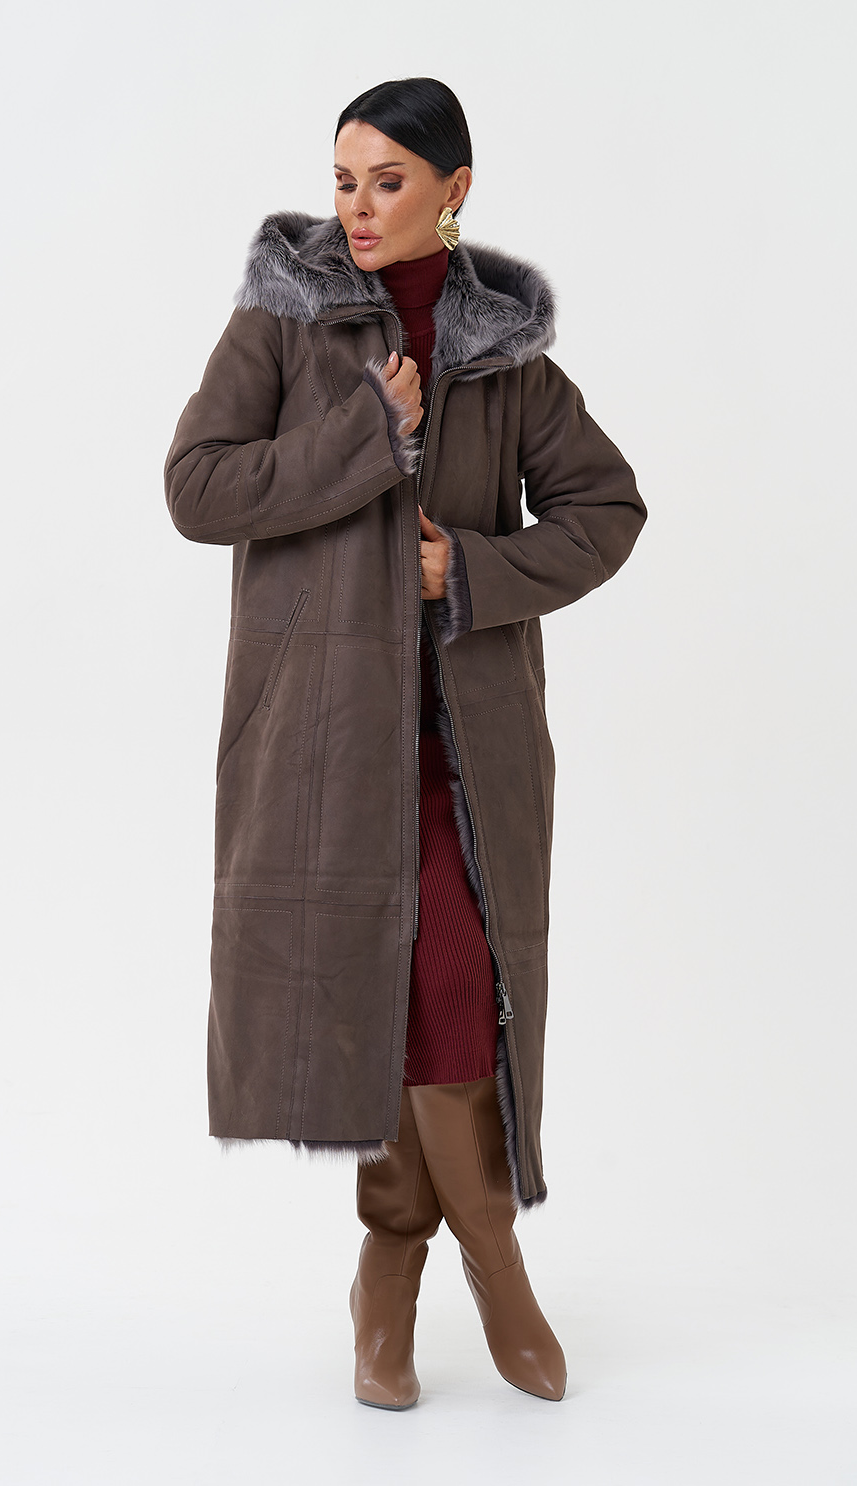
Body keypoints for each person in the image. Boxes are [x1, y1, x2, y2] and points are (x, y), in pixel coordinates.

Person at [163, 76, 647, 1410]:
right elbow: (196, 487)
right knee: (383, 1007)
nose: (358, 208)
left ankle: (465, 1257)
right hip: (323, 744)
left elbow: (605, 510)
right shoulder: (285, 319)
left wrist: (470, 572)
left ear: (453, 191)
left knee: (451, 995)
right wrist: (364, 435)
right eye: (343, 181)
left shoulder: (502, 353)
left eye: (388, 180)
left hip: (467, 750)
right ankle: (411, 1264)